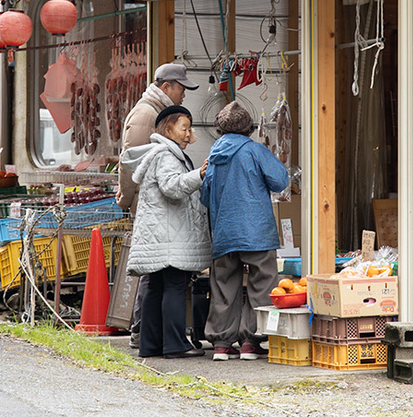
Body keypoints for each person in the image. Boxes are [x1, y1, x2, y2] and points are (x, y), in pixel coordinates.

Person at [200, 101, 289, 361]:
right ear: (248, 128)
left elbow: (205, 196)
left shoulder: (213, 156)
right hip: (256, 231)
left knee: (223, 286)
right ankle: (252, 341)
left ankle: (220, 344)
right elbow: (280, 180)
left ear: (219, 129)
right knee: (262, 283)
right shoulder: (255, 151)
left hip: (224, 232)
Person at [117, 62, 199, 346]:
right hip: (155, 211)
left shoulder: (153, 111)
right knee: (160, 279)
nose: (184, 94)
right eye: (181, 88)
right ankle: (149, 335)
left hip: (155, 209)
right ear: (167, 87)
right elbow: (131, 164)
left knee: (156, 279)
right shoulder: (147, 115)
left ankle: (150, 340)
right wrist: (126, 199)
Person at [123, 105, 212, 359]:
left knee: (156, 286)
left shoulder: (161, 153)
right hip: (169, 236)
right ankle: (175, 344)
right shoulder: (166, 155)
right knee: (174, 285)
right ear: (168, 128)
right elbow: (172, 187)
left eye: (189, 128)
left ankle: (150, 345)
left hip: (159, 235)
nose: (188, 134)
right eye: (184, 128)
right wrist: (200, 175)